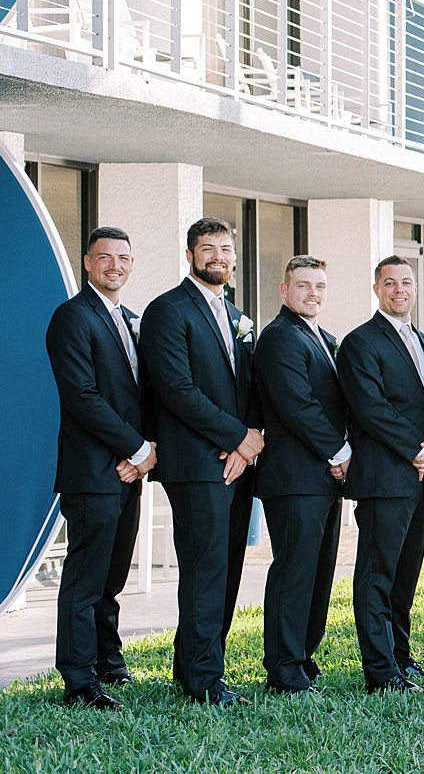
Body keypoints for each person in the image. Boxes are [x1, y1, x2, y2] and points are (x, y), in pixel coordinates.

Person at [139, 217, 262, 705]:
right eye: (208, 248)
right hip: (196, 463)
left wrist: (248, 441)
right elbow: (177, 390)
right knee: (205, 569)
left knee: (227, 567)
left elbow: (250, 387)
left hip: (237, 461)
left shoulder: (235, 314)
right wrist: (239, 439)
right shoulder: (168, 310)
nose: (218, 256)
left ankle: (201, 664)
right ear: (190, 255)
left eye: (226, 248)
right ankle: (202, 681)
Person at [46, 227, 153, 710]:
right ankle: (78, 680)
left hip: (129, 471)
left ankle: (109, 662)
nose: (115, 265)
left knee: (112, 576)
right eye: (105, 257)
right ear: (87, 262)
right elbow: (83, 397)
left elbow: (145, 395)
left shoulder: (129, 319)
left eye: (124, 258)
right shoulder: (72, 317)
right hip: (93, 472)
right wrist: (135, 448)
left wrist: (144, 450)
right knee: (86, 579)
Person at [339, 255, 424, 693]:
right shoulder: (360, 342)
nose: (399, 289)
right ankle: (381, 672)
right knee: (376, 577)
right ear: (377, 289)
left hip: (421, 477)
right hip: (385, 477)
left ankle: (401, 657)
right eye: (390, 283)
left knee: (406, 578)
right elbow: (371, 408)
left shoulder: (423, 341)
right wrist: (414, 450)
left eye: (406, 282)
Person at [254, 255, 348, 694]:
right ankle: (283, 666)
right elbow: (297, 405)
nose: (313, 293)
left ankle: (303, 656)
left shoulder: (322, 338)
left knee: (318, 571)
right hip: (294, 479)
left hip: (322, 480)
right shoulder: (279, 338)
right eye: (304, 285)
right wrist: (339, 450)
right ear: (284, 290)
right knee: (294, 571)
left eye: (320, 286)